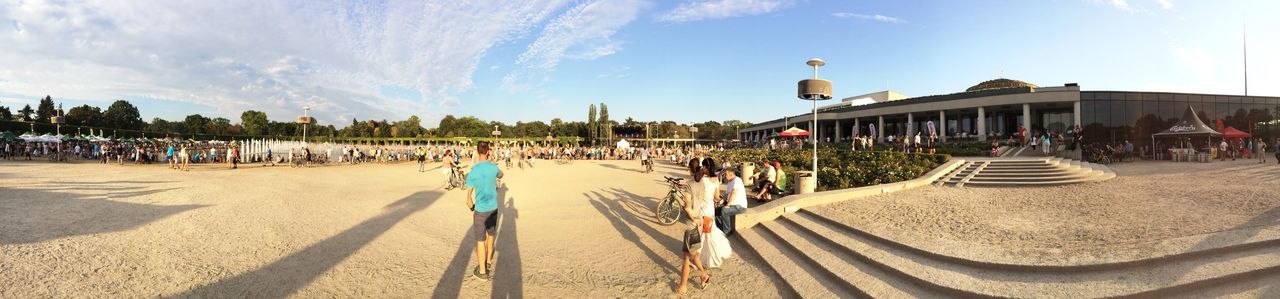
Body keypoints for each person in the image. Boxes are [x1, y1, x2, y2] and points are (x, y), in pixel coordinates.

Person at [465, 141, 504, 281]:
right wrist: (492, 160)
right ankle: (488, 261)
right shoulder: (493, 168)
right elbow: (501, 175)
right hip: (493, 208)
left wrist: (472, 208)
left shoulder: (473, 172)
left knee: (480, 240)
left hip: (480, 210)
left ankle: (482, 271)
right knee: (491, 236)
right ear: (488, 151)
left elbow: (468, 199)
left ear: (476, 152)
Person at [716, 168, 748, 236]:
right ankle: (721, 227)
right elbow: (726, 194)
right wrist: (720, 202)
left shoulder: (737, 180)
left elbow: (734, 193)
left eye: (726, 174)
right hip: (732, 205)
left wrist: (728, 204)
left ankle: (727, 231)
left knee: (724, 210)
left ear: (731, 174)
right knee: (716, 211)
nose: (725, 176)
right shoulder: (730, 182)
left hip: (739, 206)